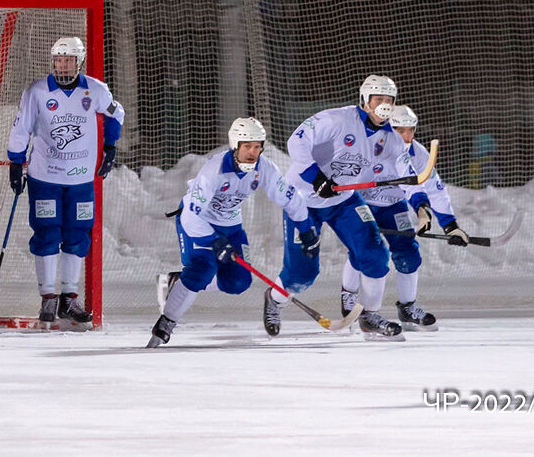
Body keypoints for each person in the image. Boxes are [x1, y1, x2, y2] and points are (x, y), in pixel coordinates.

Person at [148, 118, 307, 347]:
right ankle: (166, 323)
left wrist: (305, 227)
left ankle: (177, 281)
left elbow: (288, 197)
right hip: (198, 223)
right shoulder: (213, 171)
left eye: (257, 146)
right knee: (202, 269)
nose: (253, 152)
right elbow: (191, 216)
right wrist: (214, 242)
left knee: (239, 282)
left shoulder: (264, 167)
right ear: (235, 145)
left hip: (231, 228)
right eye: (247, 146)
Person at [272, 74, 408, 340]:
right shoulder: (337, 119)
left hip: (344, 200)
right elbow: (296, 141)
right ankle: (275, 300)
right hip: (303, 199)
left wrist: (419, 202)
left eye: (389, 100)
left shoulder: (391, 138)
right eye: (378, 99)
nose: (384, 105)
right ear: (364, 100)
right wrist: (316, 177)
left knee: (374, 253)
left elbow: (400, 173)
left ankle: (370, 316)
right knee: (302, 273)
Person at [6, 37, 125, 329]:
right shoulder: (36, 91)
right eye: (58, 60)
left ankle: (69, 299)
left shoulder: (95, 89)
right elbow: (22, 128)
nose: (62, 66)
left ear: (79, 61)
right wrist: (15, 161)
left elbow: (116, 113)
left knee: (77, 235)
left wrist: (110, 146)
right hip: (45, 176)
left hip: (81, 179)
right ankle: (48, 297)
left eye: (68, 60)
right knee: (47, 233)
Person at [338, 104, 466, 331]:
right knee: (364, 250)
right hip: (362, 204)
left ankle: (407, 308)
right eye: (400, 130)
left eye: (411, 130)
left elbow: (433, 189)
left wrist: (449, 225)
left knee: (408, 252)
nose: (407, 137)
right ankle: (349, 294)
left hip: (394, 206)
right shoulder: (368, 145)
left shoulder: (418, 154)